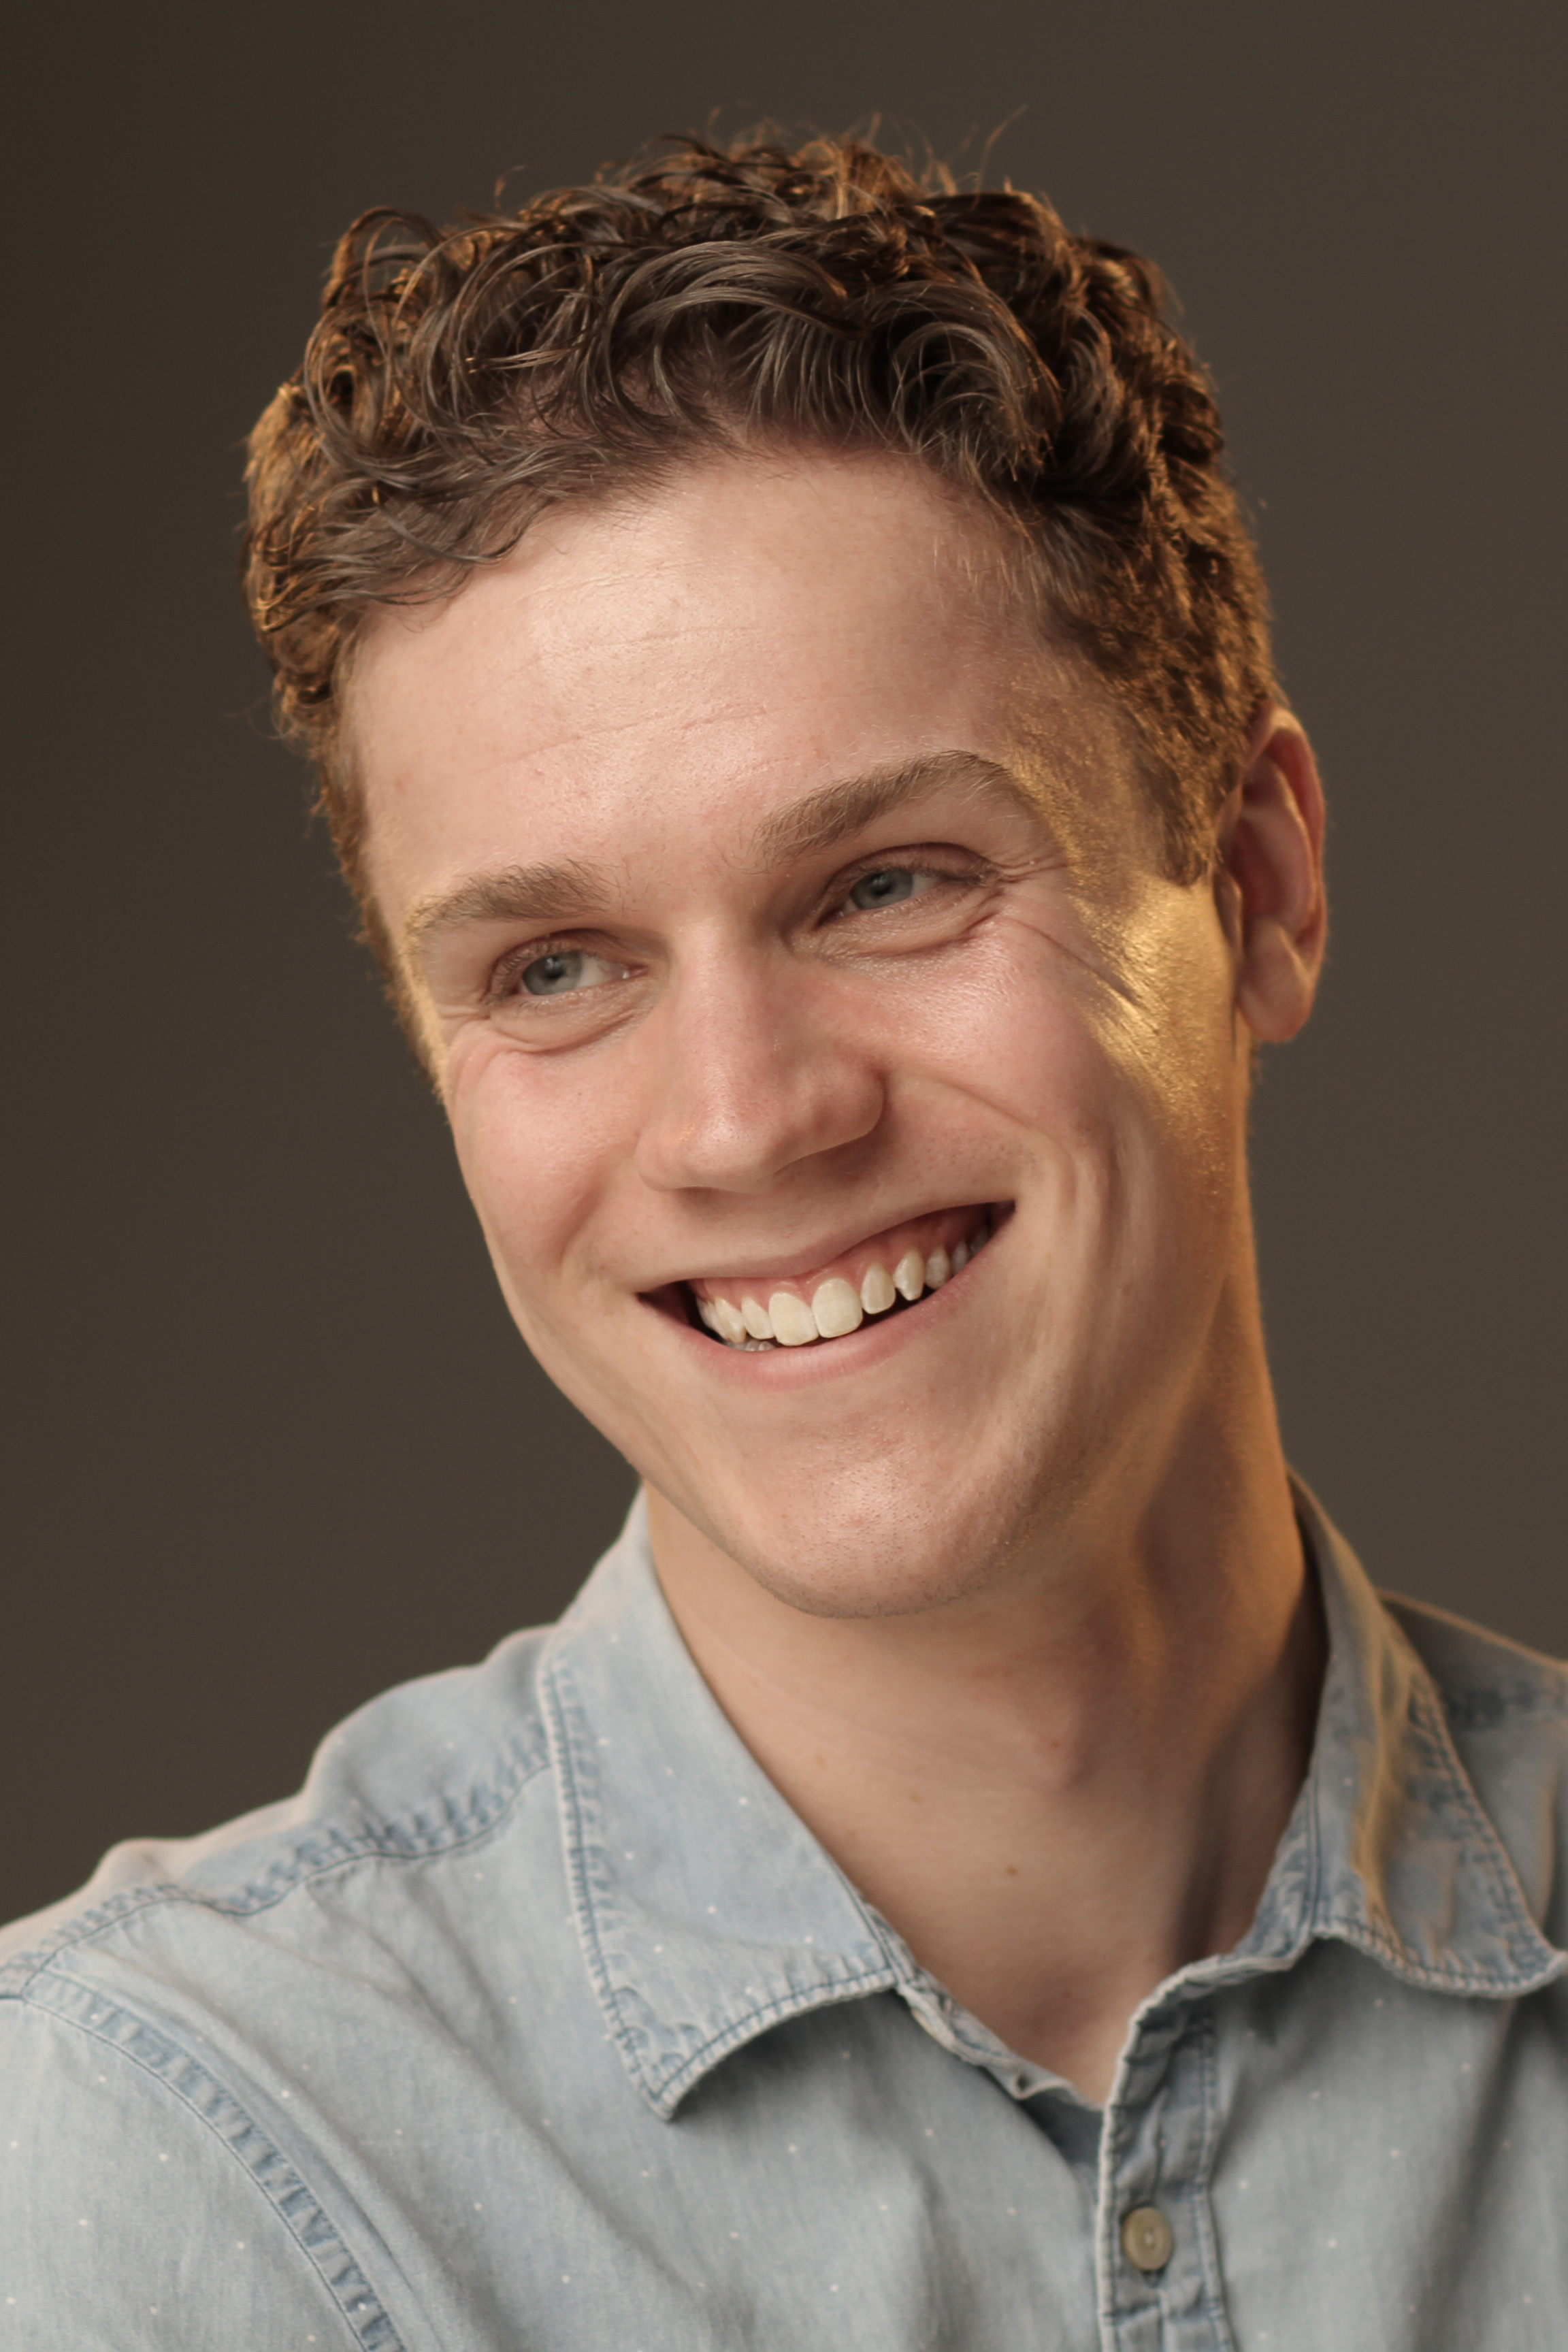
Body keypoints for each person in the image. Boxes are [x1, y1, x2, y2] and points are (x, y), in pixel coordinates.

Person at [2, 132, 1563, 2350]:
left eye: (889, 884)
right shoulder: (156, 2164)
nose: (745, 1121)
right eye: (555, 967)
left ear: (1257, 885)